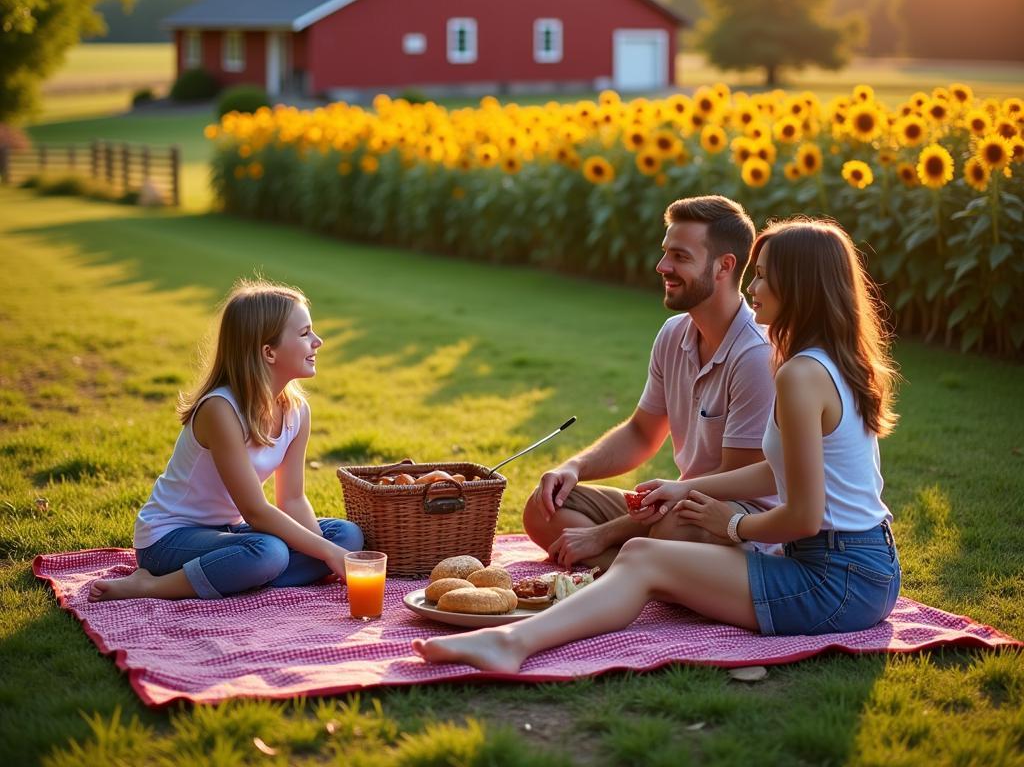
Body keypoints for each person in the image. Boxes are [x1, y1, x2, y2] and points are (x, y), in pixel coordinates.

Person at [413, 218, 901, 670]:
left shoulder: (798, 372)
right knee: (641, 554)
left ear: (800, 286)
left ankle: (511, 643)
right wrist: (679, 487)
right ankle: (531, 632)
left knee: (643, 556)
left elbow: (803, 516)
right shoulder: (824, 362)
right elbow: (779, 471)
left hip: (837, 578)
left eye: (766, 276)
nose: (754, 286)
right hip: (859, 567)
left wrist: (730, 524)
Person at [523, 195, 774, 570]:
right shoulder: (674, 334)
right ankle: (642, 571)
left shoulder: (755, 355)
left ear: (724, 267)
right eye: (665, 253)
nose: (662, 266)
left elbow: (734, 479)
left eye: (680, 257)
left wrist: (603, 533)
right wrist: (573, 468)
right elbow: (642, 433)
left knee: (674, 527)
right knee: (543, 507)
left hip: (738, 522)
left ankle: (637, 568)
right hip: (678, 504)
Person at [89, 279, 363, 601]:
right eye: (305, 334)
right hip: (169, 539)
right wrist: (325, 555)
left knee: (345, 535)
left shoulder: (296, 411)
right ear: (269, 352)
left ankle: (235, 576)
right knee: (269, 552)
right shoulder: (220, 409)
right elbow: (256, 511)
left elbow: (291, 500)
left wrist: (326, 550)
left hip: (229, 534)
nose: (318, 341)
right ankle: (151, 585)